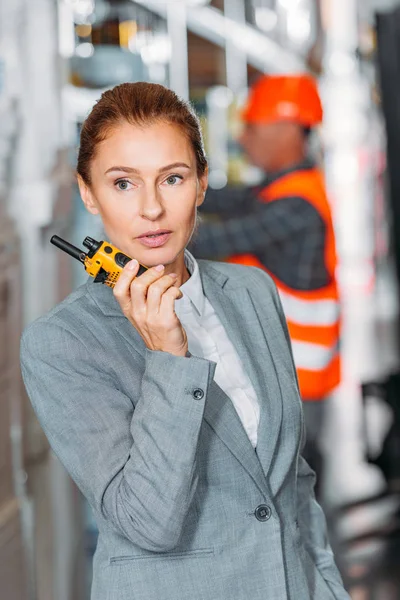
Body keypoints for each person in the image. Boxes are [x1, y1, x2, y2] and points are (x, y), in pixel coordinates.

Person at [20, 82, 348, 600]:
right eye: (123, 184)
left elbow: (293, 480)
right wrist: (168, 358)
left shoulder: (248, 291)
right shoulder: (61, 343)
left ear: (200, 184)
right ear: (88, 193)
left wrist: (328, 589)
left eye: (172, 178)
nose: (151, 208)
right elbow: (149, 522)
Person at [189, 74, 340, 495]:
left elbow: (216, 240)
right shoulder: (279, 190)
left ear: (290, 130)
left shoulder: (297, 205)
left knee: (289, 502)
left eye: (253, 126)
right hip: (277, 371)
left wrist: (143, 224)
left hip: (295, 382)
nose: (243, 136)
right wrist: (174, 181)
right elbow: (226, 198)